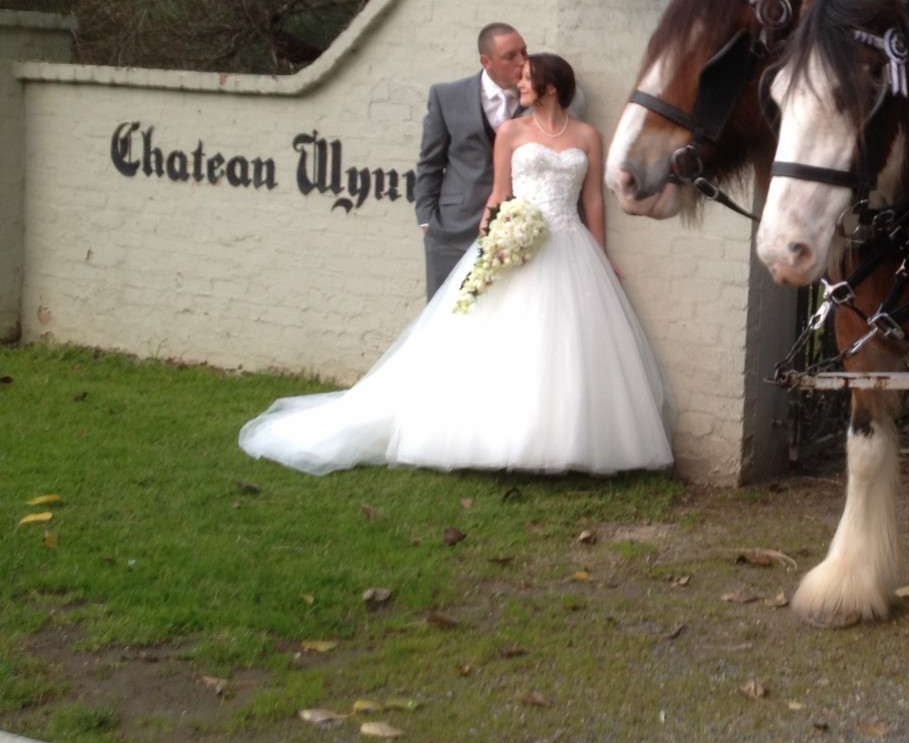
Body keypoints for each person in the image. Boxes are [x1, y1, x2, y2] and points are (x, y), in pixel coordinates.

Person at [240, 53, 676, 476]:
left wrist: (601, 255)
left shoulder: (586, 136)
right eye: (518, 76)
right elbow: (499, 191)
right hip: (516, 245)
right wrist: (491, 239)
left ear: (551, 87)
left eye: (526, 78)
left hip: (570, 246)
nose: (518, 84)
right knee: (502, 344)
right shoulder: (510, 131)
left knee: (569, 348)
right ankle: (495, 442)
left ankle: (566, 443)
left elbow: (594, 200)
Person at [414, 23, 528, 300]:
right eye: (510, 56)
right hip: (452, 228)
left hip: (517, 231)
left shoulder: (538, 98)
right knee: (447, 314)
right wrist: (427, 220)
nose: (522, 62)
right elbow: (430, 162)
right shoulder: (447, 96)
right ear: (486, 62)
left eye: (524, 52)